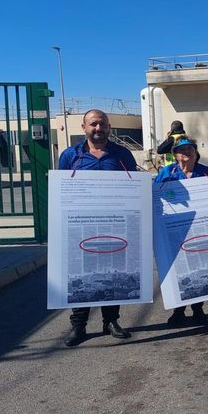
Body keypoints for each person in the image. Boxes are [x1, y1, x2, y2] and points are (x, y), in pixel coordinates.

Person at [58, 109, 136, 347]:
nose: (98, 128)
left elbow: (134, 186)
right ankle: (78, 325)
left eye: (102, 124)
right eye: (93, 124)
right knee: (81, 275)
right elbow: (61, 188)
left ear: (109, 127)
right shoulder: (70, 155)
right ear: (84, 127)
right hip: (81, 227)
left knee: (112, 273)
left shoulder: (122, 154)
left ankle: (110, 321)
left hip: (115, 225)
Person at [154, 137, 208, 326]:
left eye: (190, 149)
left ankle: (198, 308)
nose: (186, 153)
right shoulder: (167, 173)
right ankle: (178, 310)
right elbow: (154, 197)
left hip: (199, 228)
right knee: (177, 271)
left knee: (199, 268)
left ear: (196, 153)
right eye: (181, 150)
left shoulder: (206, 173)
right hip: (173, 229)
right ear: (175, 155)